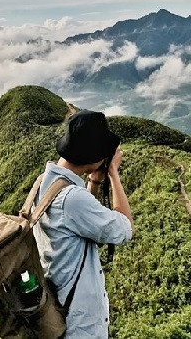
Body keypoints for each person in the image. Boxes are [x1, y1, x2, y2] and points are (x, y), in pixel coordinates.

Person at [32, 109, 134, 338]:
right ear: (94, 157)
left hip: (57, 312)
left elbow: (76, 224)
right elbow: (125, 229)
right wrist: (114, 175)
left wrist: (94, 183)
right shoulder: (72, 199)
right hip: (78, 325)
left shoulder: (44, 184)